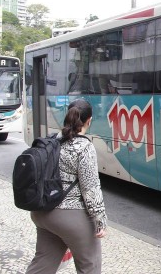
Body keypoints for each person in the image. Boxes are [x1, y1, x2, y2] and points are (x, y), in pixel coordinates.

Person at [26, 98, 107, 274]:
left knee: (43, 264)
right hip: (69, 216)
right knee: (90, 265)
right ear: (89, 120)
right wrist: (100, 220)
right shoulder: (84, 147)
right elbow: (90, 187)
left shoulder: (53, 140)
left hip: (42, 212)